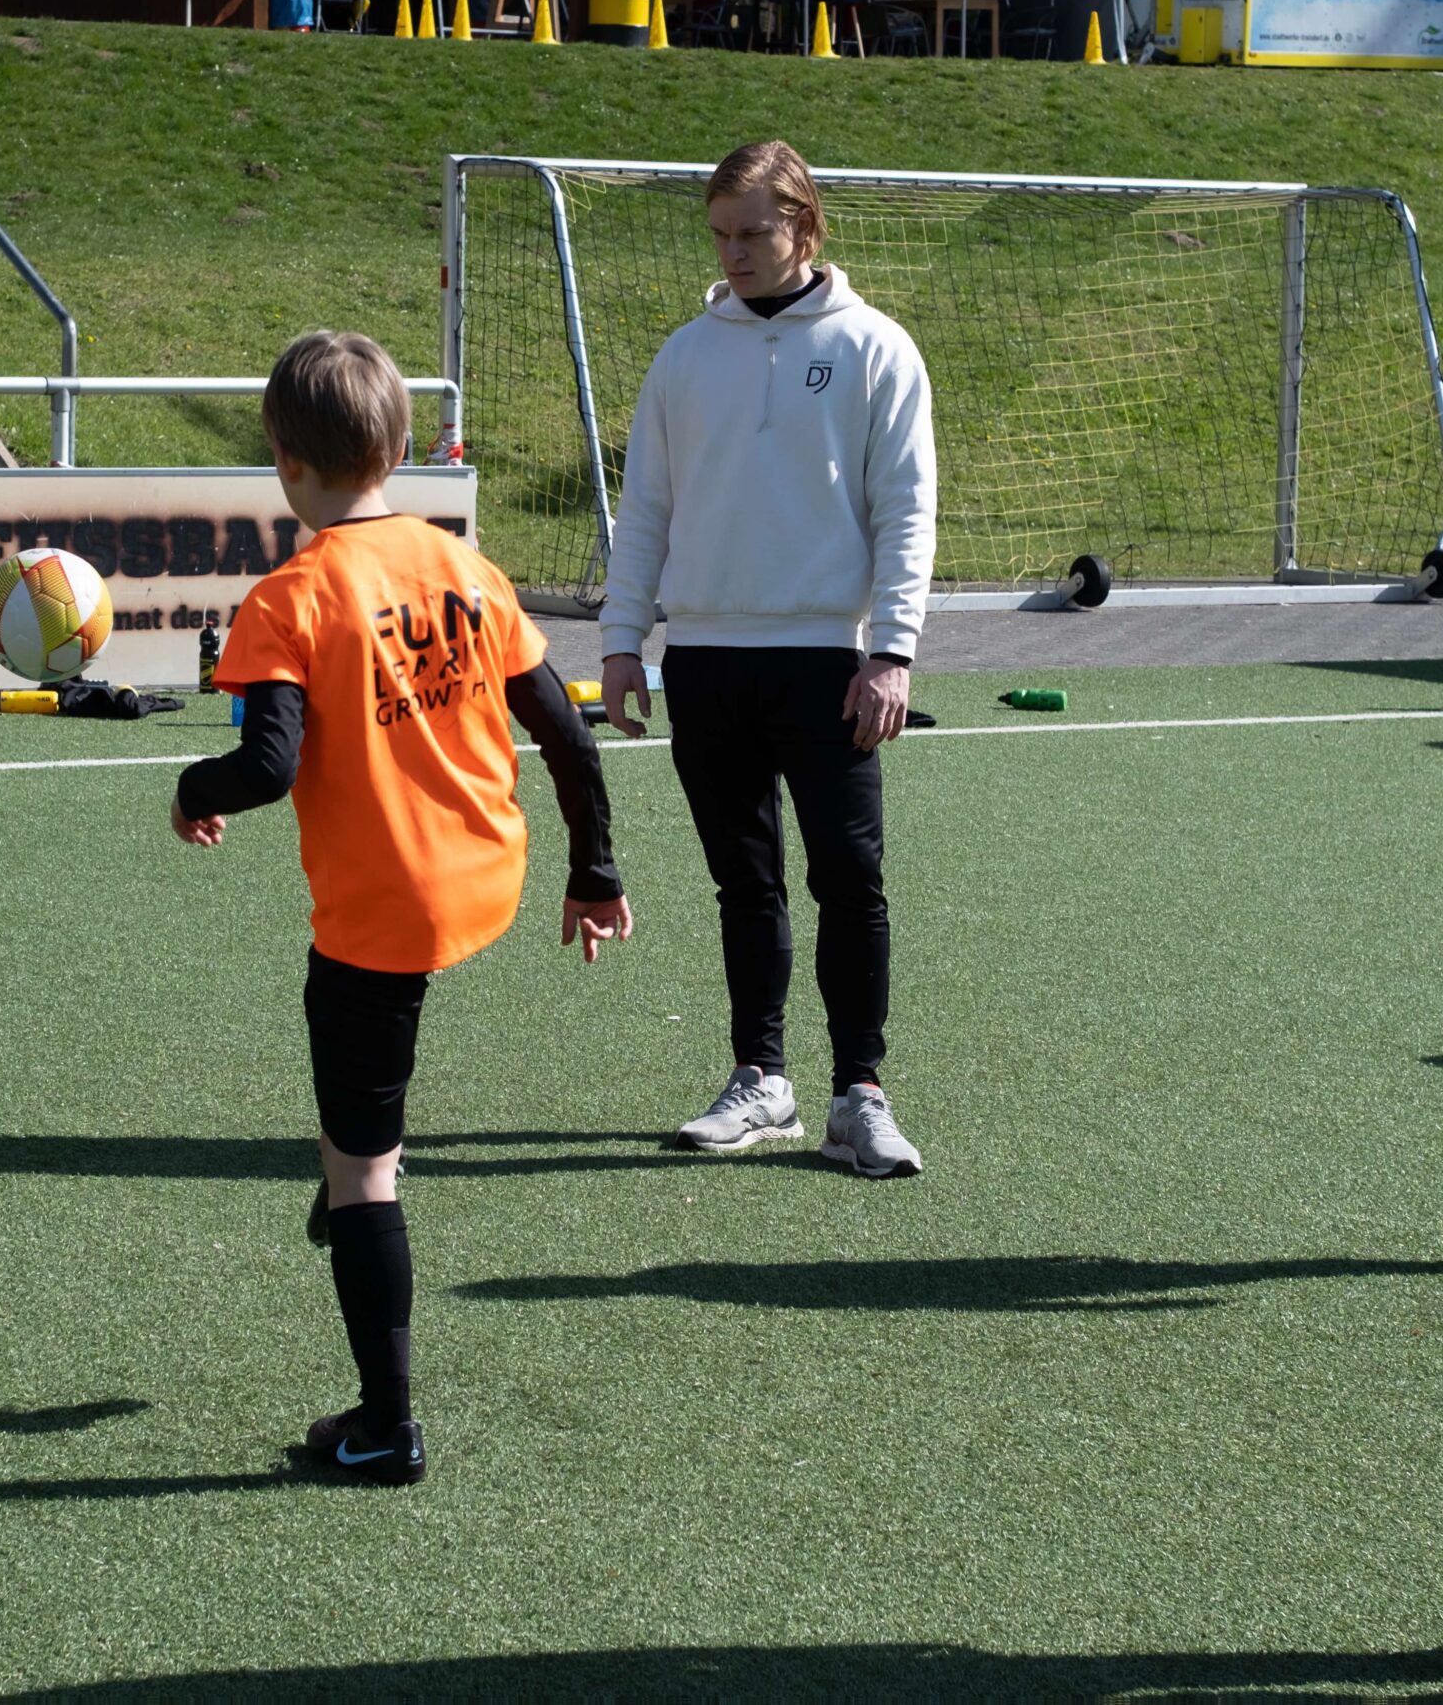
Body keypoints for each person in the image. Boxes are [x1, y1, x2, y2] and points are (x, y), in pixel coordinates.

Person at [174, 330, 630, 1485]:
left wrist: (190, 790)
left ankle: (385, 1427)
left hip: (385, 910)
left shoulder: (289, 595)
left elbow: (265, 767)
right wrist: (595, 871)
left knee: (362, 1166)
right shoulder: (462, 565)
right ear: (399, 446)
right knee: (365, 1098)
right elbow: (568, 737)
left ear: (282, 457)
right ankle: (355, 1175)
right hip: (489, 875)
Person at [597, 139, 934, 1180]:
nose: (734, 253)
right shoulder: (684, 357)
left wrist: (891, 650)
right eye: (720, 235)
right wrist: (622, 641)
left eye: (752, 233)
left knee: (850, 880)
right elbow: (646, 510)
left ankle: (860, 1095)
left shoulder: (876, 348)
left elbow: (906, 508)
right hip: (705, 660)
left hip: (829, 661)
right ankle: (761, 1080)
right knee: (744, 884)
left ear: (805, 227)